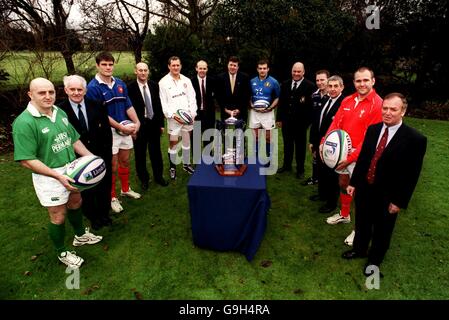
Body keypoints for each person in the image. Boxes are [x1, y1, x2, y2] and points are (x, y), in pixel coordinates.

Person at [12, 77, 103, 269]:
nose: (47, 96)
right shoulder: (24, 122)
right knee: (58, 215)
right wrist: (58, 176)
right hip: (49, 176)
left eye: (51, 92)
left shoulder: (59, 112)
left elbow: (73, 139)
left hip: (71, 169)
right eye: (41, 93)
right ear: (30, 95)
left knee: (76, 202)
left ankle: (80, 236)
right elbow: (26, 160)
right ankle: (61, 251)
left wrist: (92, 158)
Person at [342, 93, 427, 277]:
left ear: (403, 111)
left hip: (388, 195)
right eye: (385, 108)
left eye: (393, 109)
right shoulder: (373, 129)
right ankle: (359, 249)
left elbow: (412, 174)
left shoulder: (415, 139)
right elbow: (364, 158)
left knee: (382, 231)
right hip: (365, 188)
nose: (387, 113)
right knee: (362, 222)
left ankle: (374, 262)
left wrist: (399, 201)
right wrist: (354, 182)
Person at [320, 67, 382, 236]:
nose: (362, 84)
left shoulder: (378, 105)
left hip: (361, 155)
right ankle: (344, 214)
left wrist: (351, 158)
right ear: (354, 82)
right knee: (343, 182)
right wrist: (324, 141)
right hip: (342, 151)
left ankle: (359, 229)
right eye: (358, 81)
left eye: (365, 80)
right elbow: (336, 123)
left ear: (373, 81)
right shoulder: (347, 100)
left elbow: (370, 138)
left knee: (361, 194)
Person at [86, 51, 141, 214]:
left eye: (110, 64)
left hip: (124, 129)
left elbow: (128, 105)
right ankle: (112, 197)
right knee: (112, 165)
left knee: (125, 160)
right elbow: (102, 115)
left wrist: (137, 122)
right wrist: (121, 127)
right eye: (104, 64)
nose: (108, 67)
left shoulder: (120, 83)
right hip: (108, 132)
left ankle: (125, 189)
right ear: (97, 65)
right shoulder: (92, 88)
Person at [58, 75, 113, 230]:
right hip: (77, 159)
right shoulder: (60, 111)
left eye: (79, 89)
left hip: (100, 155)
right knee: (86, 189)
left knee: (103, 186)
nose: (76, 93)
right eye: (72, 89)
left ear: (85, 90)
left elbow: (107, 133)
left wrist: (106, 157)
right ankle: (92, 216)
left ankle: (104, 214)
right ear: (66, 90)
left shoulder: (97, 105)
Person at [128, 62, 168, 190]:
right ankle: (144, 179)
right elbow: (128, 109)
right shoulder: (130, 88)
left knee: (156, 152)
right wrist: (133, 128)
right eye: (140, 70)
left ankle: (158, 176)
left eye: (145, 70)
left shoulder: (154, 86)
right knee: (140, 154)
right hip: (139, 125)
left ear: (148, 71)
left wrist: (161, 124)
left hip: (154, 124)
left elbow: (158, 106)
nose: (143, 73)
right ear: (136, 71)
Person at [309, 75, 345, 213]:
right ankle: (322, 194)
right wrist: (313, 142)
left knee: (331, 174)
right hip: (319, 142)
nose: (333, 89)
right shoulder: (325, 99)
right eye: (330, 86)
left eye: (336, 86)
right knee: (321, 169)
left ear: (342, 87)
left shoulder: (344, 103)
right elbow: (316, 121)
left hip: (333, 145)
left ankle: (331, 203)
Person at [159, 56, 197, 180]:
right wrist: (173, 116)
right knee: (173, 144)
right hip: (174, 120)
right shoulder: (163, 82)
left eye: (177, 65)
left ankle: (186, 164)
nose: (176, 67)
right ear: (169, 66)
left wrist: (192, 114)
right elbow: (163, 103)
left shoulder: (186, 80)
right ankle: (172, 167)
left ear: (180, 66)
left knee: (186, 142)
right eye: (173, 65)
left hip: (187, 119)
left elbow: (192, 98)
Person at [276, 62, 316, 178]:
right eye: (294, 71)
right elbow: (282, 103)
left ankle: (300, 170)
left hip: (301, 124)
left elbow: (310, 107)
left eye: (299, 71)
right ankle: (286, 166)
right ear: (291, 71)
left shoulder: (310, 86)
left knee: (300, 147)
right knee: (287, 145)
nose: (296, 73)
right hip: (287, 122)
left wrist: (307, 123)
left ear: (303, 72)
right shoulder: (285, 84)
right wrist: (279, 118)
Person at [249, 59, 280, 165]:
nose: (262, 70)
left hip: (268, 113)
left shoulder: (274, 82)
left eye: (264, 68)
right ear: (257, 69)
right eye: (260, 68)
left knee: (268, 137)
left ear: (268, 69)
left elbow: (277, 97)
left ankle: (268, 158)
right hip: (255, 112)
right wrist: (252, 106)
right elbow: (248, 96)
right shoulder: (252, 81)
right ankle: (256, 158)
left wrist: (270, 108)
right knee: (255, 136)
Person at [303, 70, 330, 186]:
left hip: (328, 134)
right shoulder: (314, 95)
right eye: (317, 80)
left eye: (322, 79)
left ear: (328, 79)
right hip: (316, 132)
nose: (319, 82)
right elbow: (313, 118)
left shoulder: (332, 96)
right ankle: (315, 178)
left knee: (326, 160)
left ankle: (324, 182)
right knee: (314, 155)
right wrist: (311, 140)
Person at [215, 56, 251, 122]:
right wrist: (225, 109)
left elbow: (247, 95)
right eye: (231, 65)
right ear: (227, 65)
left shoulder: (245, 77)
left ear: (238, 67)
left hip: (241, 112)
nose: (232, 67)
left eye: (234, 65)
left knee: (240, 132)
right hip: (225, 112)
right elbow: (218, 95)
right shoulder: (220, 77)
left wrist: (239, 109)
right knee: (227, 132)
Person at [191, 60, 216, 134]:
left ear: (207, 69)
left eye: (204, 69)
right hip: (196, 114)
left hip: (209, 115)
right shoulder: (191, 82)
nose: (202, 70)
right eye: (200, 68)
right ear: (196, 68)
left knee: (208, 141)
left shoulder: (212, 81)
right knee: (196, 142)